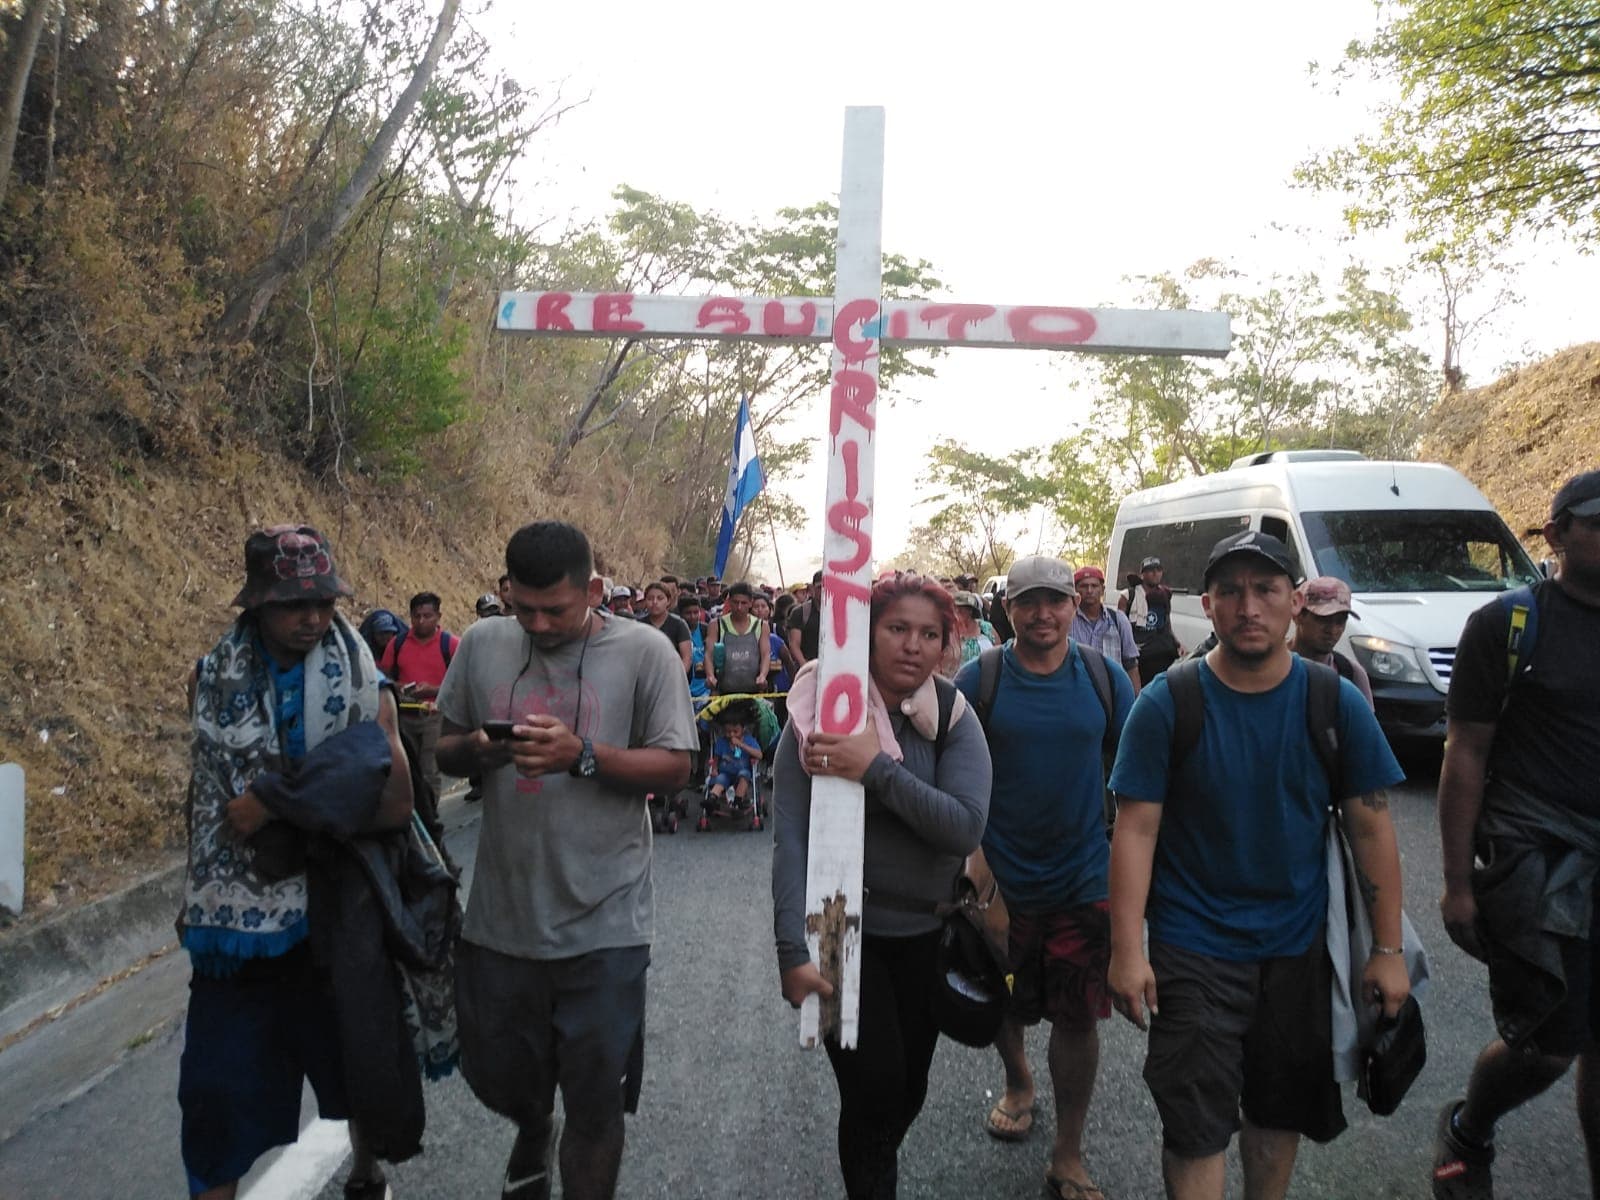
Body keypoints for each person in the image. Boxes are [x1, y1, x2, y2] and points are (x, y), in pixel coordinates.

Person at [1105, 530, 1409, 1200]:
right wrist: (1128, 950)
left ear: (1293, 602)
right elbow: (1135, 829)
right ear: (1207, 605)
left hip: (1298, 948)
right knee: (1196, 1124)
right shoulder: (1167, 703)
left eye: (1266, 590)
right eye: (1232, 592)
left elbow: (1371, 823)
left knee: (1279, 1111)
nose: (1249, 607)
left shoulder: (1333, 702)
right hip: (1193, 948)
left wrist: (1387, 948)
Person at [433, 521, 697, 1200]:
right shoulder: (485, 643)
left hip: (605, 925)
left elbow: (674, 768)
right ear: (505, 593)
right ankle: (530, 1124)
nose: (541, 624)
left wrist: (581, 754)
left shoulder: (645, 653)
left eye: (557, 608)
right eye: (525, 608)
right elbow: (446, 746)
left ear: (596, 590)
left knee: (595, 1106)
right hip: (501, 924)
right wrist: (482, 752)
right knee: (501, 1080)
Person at [179, 525, 414, 1200]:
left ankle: (367, 1174)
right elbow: (211, 802)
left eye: (324, 602)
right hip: (232, 922)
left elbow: (393, 804)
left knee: (357, 1058)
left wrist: (278, 803)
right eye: (293, 604)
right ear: (256, 606)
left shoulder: (365, 680)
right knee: (215, 1089)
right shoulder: (213, 679)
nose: (313, 617)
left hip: (337, 907)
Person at [773, 574, 993, 1199]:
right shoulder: (814, 709)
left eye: (930, 633)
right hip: (838, 926)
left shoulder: (951, 714)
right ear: (867, 633)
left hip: (928, 928)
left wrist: (872, 769)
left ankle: (870, 1166)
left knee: (907, 1091)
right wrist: (793, 950)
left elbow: (962, 826)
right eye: (897, 629)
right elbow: (792, 835)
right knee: (874, 1089)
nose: (913, 646)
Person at [1432, 470, 1600, 1200]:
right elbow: (1465, 751)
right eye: (1595, 522)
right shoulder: (1507, 625)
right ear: (1556, 533)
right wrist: (1458, 885)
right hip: (1539, 861)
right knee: (1552, 1045)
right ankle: (1470, 1127)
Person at [953, 556, 1135, 1200]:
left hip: (1084, 875)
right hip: (1001, 876)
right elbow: (953, 778)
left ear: (1073, 605)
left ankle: (1068, 1150)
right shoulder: (981, 680)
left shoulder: (1104, 678)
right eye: (1029, 602)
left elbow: (1134, 772)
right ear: (1008, 609)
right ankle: (1018, 1081)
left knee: (1080, 1016)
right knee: (1006, 1000)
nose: (1043, 614)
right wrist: (979, 874)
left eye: (1055, 601)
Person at [379, 592, 456, 798]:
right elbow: (383, 678)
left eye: (427, 616)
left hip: (435, 715)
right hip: (403, 716)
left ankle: (430, 818)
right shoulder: (397, 644)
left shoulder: (451, 645)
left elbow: (463, 684)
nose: (421, 621)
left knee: (429, 770)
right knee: (406, 770)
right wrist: (399, 687)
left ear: (438, 616)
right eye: (416, 616)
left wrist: (432, 690)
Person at [1291, 576, 1373, 709]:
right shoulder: (1270, 665)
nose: (1333, 630)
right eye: (1324, 619)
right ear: (1299, 616)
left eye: (1340, 621)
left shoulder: (1351, 673)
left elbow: (1364, 727)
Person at [1071, 566, 1142, 693]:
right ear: (1075, 590)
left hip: (1113, 694)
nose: (1089, 590)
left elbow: (1131, 665)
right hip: (1077, 693)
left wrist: (1135, 704)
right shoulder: (1068, 621)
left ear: (1102, 590)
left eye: (1094, 586)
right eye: (1083, 586)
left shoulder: (1118, 620)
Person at [1119, 556, 1182, 680]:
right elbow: (1120, 626)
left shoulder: (1165, 594)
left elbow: (1166, 622)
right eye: (1150, 570)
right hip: (1139, 653)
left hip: (1160, 652)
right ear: (1142, 575)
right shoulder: (1128, 596)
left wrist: (1177, 643)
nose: (1155, 573)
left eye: (1158, 570)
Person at [705, 580, 769, 696]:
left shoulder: (761, 626)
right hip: (722, 692)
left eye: (744, 603)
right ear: (729, 602)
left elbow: (765, 654)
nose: (739, 607)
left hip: (753, 691)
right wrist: (710, 676)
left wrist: (763, 675)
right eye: (735, 602)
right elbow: (709, 654)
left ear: (750, 603)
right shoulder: (716, 625)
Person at [706, 709, 762, 810]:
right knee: (720, 779)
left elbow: (759, 755)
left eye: (735, 731)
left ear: (743, 729)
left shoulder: (749, 740)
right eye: (728, 732)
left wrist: (741, 745)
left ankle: (738, 800)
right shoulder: (722, 742)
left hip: (742, 772)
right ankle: (712, 799)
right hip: (726, 773)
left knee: (744, 775)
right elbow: (716, 758)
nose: (732, 735)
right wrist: (714, 769)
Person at [637, 581, 694, 677]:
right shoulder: (638, 625)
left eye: (660, 598)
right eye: (650, 598)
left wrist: (676, 678)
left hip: (672, 677)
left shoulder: (679, 624)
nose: (654, 602)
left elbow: (687, 658)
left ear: (668, 601)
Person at [786, 570, 824, 668]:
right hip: (809, 668)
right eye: (820, 587)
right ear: (812, 588)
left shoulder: (842, 613)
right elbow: (794, 644)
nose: (824, 590)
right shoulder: (800, 612)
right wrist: (805, 666)